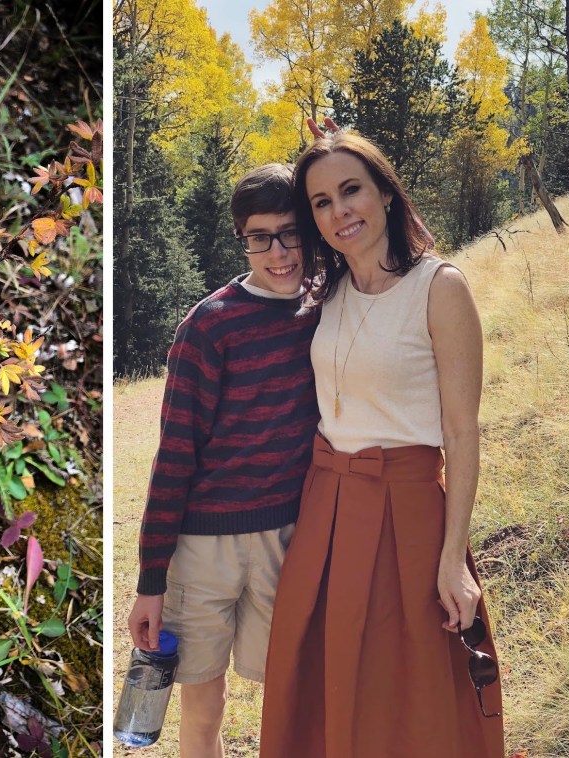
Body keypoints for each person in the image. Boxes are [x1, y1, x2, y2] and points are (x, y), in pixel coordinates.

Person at [259, 129, 505, 757]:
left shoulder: (439, 287)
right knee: (323, 677)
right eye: (321, 201)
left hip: (406, 508)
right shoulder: (328, 291)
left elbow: (460, 433)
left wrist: (452, 559)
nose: (339, 211)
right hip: (327, 506)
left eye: (351, 190)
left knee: (409, 688)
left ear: (385, 194)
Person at [126, 163, 320, 757]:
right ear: (242, 239)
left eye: (290, 233)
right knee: (203, 708)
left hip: (288, 539)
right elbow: (175, 456)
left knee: (288, 699)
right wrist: (150, 582)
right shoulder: (208, 328)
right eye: (259, 237)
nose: (278, 251)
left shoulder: (329, 308)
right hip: (202, 549)